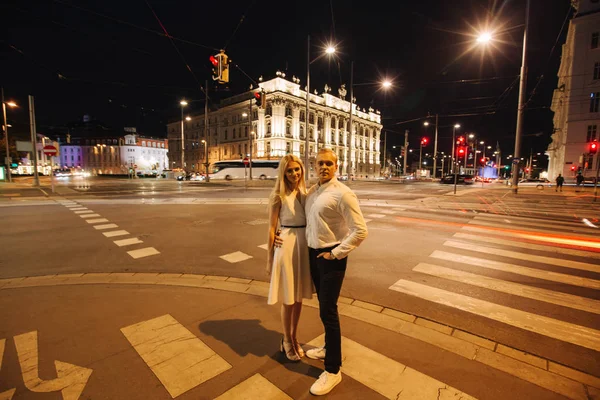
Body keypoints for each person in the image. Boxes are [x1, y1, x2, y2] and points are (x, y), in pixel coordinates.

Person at [304, 148, 368, 396]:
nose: (324, 167)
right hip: (314, 255)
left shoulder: (343, 194)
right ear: (314, 165)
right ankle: (328, 348)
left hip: (331, 257)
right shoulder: (314, 191)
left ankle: (333, 370)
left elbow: (360, 231)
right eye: (320, 163)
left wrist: (335, 253)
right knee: (323, 306)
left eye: (329, 163)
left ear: (336, 166)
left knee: (328, 312)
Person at [266, 154, 313, 362]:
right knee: (288, 298)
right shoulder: (278, 195)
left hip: (303, 244)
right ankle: (287, 340)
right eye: (290, 170)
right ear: (283, 173)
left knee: (299, 297)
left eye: (297, 169)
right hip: (286, 244)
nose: (295, 173)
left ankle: (294, 336)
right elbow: (271, 227)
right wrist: (269, 258)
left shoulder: (305, 193)